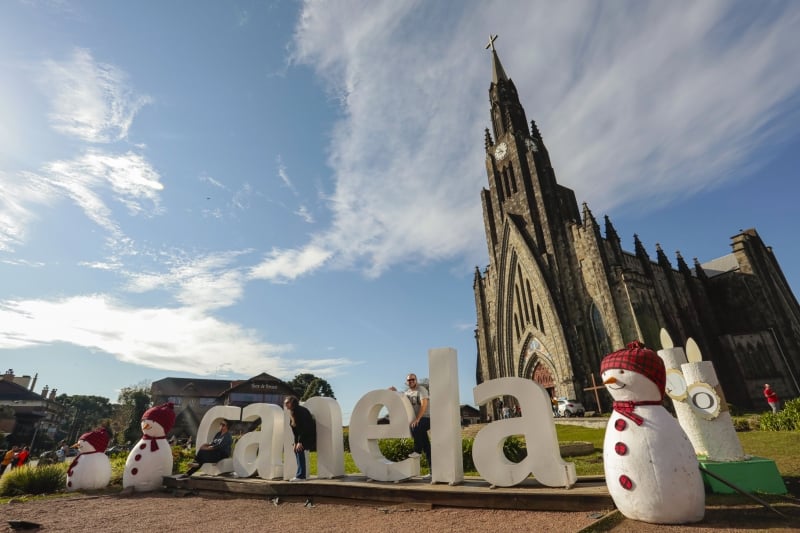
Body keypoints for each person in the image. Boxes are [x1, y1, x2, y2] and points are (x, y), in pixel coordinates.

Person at [390, 373, 432, 476]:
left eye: (413, 379)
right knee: (427, 447)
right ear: (407, 382)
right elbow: (402, 398)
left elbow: (424, 404)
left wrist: (418, 419)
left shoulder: (421, 389)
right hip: (418, 420)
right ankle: (433, 472)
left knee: (414, 426)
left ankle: (417, 451)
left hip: (427, 418)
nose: (411, 381)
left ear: (416, 380)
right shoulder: (408, 393)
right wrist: (395, 392)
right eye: (409, 380)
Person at [283, 395, 316, 481]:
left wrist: (300, 442)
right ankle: (300, 474)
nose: (285, 405)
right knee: (296, 450)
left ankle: (301, 476)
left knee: (299, 450)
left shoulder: (299, 411)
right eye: (285, 403)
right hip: (302, 436)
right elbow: (295, 431)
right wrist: (295, 443)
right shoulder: (293, 412)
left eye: (287, 403)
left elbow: (304, 428)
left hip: (308, 436)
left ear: (292, 402)